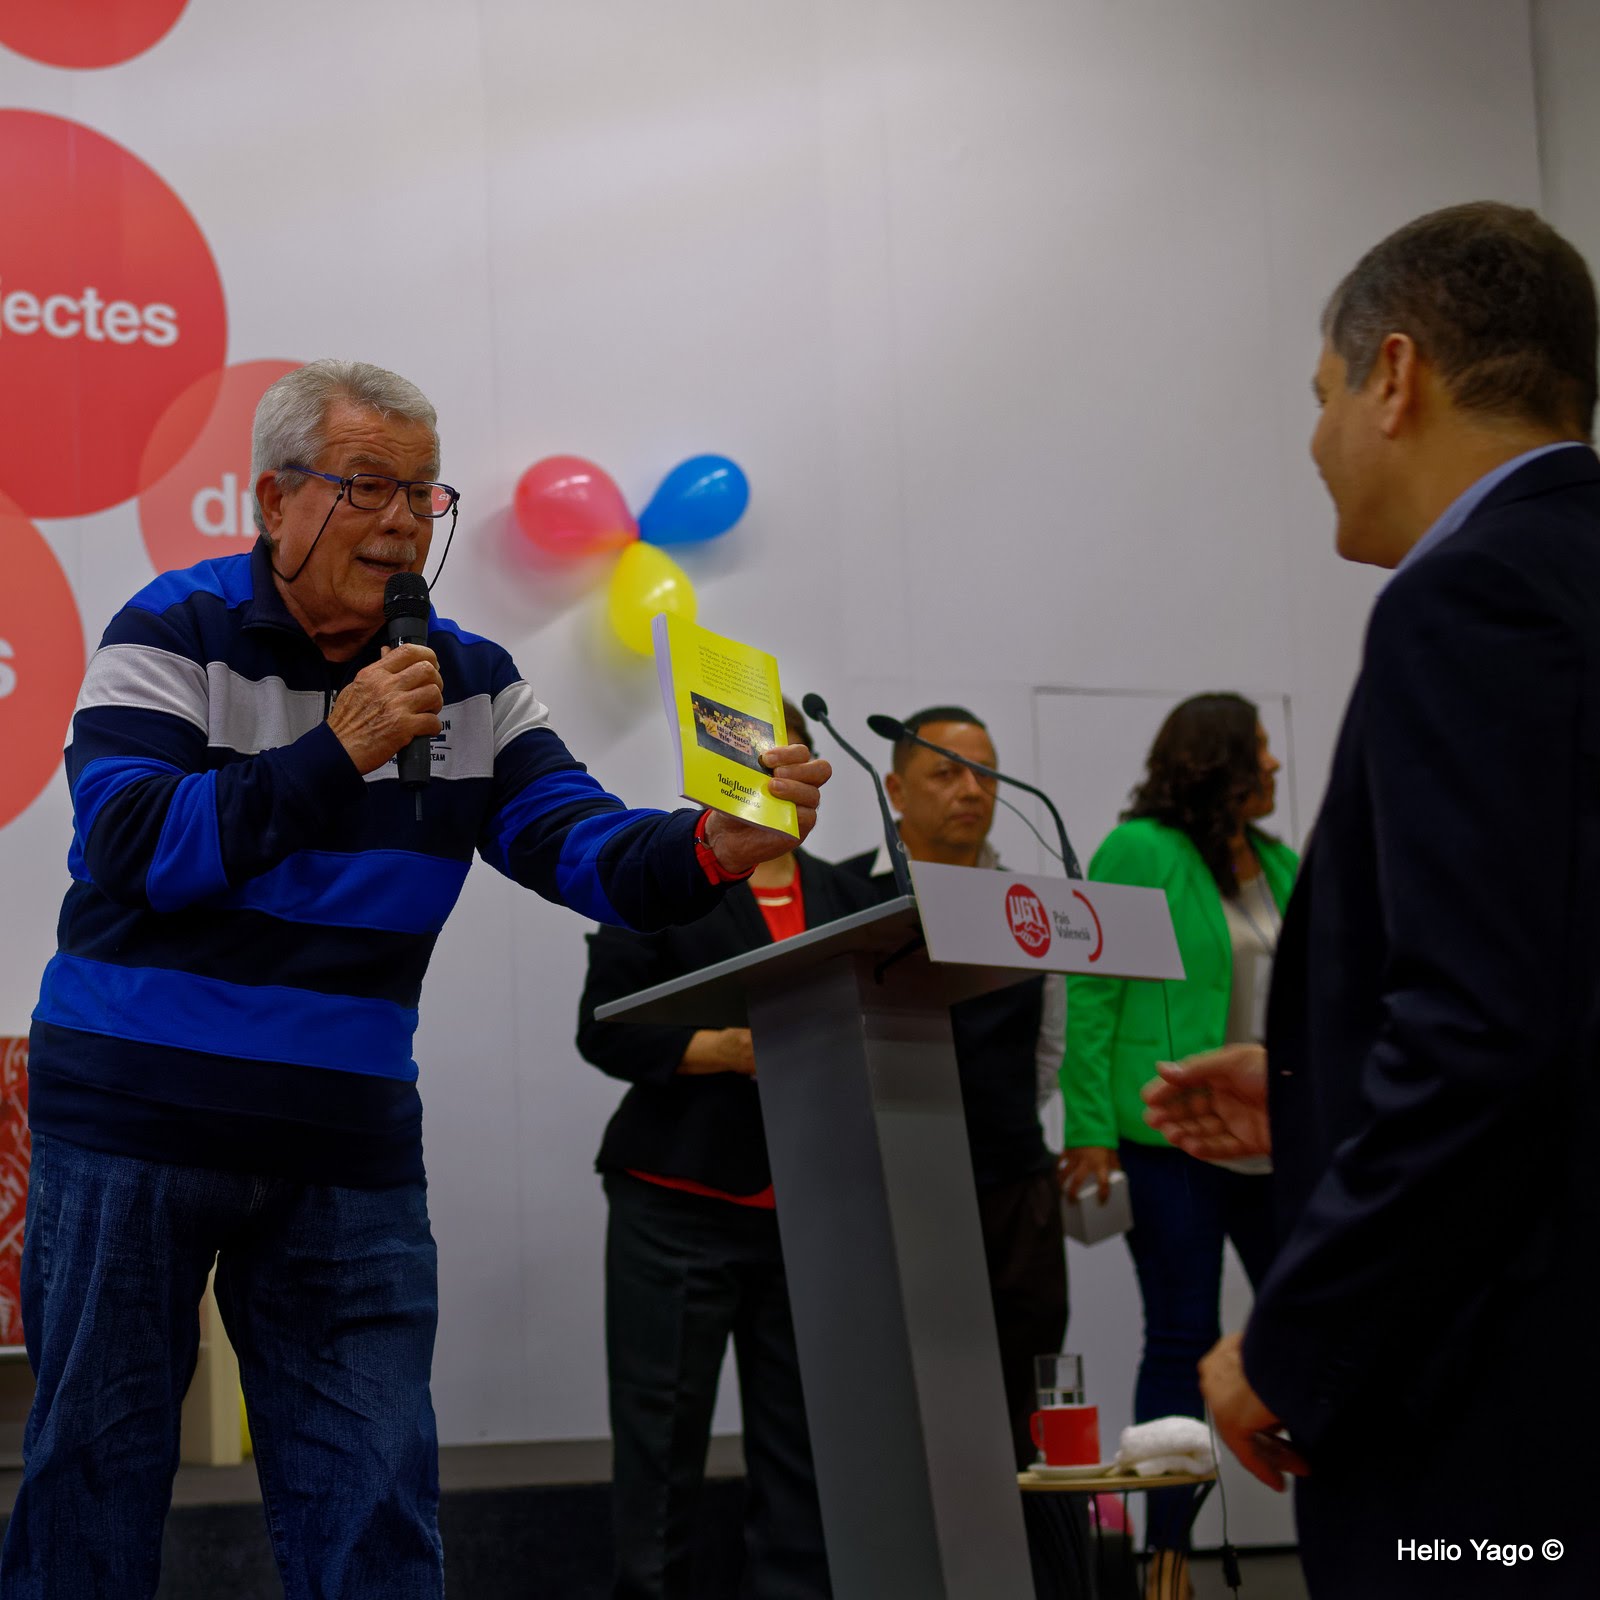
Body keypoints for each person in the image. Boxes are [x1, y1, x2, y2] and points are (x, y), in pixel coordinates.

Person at [6, 360, 832, 1600]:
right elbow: (129, 845)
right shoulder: (167, 629)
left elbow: (580, 842)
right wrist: (336, 754)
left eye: (422, 496)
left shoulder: (470, 678)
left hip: (345, 1144)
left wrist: (713, 845)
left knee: (375, 1488)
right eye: (365, 486)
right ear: (273, 499)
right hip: (135, 1119)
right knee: (94, 1476)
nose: (400, 521)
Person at [1145, 203, 1600, 1598]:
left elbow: (1487, 1036)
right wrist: (1319, 1082)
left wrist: (1289, 1342)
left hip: (1499, 1397)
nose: (1316, 439)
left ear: (1394, 375)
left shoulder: (1468, 602)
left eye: (1323, 394)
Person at [575, 697, 878, 1600]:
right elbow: (606, 1032)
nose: (771, 763)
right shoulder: (668, 882)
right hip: (679, 1204)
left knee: (805, 1449)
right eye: (746, 748)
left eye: (788, 747)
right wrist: (733, 1049)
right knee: (663, 1445)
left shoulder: (856, 897)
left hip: (812, 1208)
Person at [1059, 693, 1295, 1600]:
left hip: (1277, 1137)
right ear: (1218, 760)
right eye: (1260, 750)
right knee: (1183, 1333)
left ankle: (1342, 1513)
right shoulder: (1139, 851)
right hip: (1167, 1136)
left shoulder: (1279, 861)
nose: (1274, 767)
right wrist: (1085, 1129)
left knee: (1308, 1317)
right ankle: (1167, 1558)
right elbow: (1092, 995)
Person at [846, 706, 1067, 1471]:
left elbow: (1049, 1049)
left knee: (1021, 1413)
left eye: (987, 774)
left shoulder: (1031, 906)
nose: (972, 790)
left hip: (1014, 1189)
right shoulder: (845, 897)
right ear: (896, 791)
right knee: (899, 1407)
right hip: (887, 1190)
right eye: (947, 772)